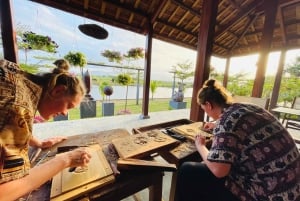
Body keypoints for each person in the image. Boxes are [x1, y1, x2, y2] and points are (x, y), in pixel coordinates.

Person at [176, 79, 300, 201]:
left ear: (208, 105)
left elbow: (218, 170)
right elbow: (245, 128)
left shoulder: (226, 122)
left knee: (188, 170)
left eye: (204, 108)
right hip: (293, 184)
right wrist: (217, 126)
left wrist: (200, 145)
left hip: (271, 193)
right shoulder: (248, 107)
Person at [0, 59, 92, 201]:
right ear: (57, 91)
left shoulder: (15, 77)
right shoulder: (17, 106)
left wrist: (38, 143)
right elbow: (4, 192)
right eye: (68, 106)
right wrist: (66, 159)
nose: (65, 113)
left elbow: (6, 125)